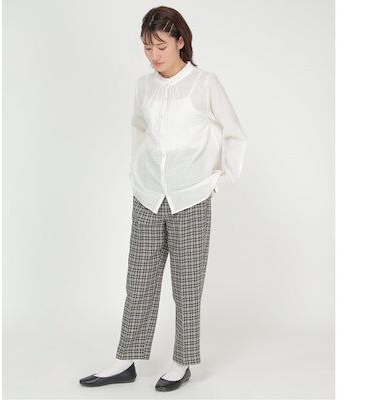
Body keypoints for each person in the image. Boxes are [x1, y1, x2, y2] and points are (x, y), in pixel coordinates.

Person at [79, 5, 248, 392]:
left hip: (191, 198)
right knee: (139, 281)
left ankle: (182, 362)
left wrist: (218, 181)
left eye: (161, 46)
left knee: (186, 286)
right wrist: (137, 172)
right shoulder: (144, 86)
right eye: (146, 47)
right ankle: (126, 360)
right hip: (148, 195)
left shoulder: (204, 83)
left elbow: (234, 133)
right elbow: (138, 129)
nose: (153, 55)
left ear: (180, 42)